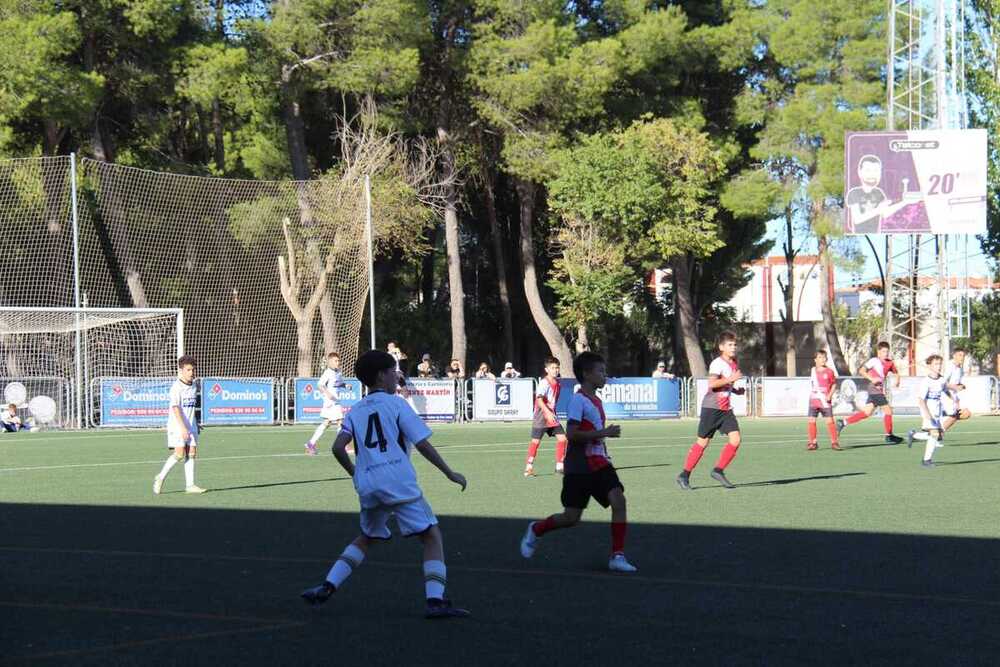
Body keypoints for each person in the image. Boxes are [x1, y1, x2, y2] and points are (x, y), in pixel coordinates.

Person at [300, 350, 470, 619]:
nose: (396, 377)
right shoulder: (397, 405)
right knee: (431, 535)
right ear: (381, 376)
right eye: (393, 372)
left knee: (367, 537)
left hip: (368, 484)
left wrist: (356, 474)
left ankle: (327, 586)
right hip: (398, 481)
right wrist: (449, 472)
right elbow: (423, 444)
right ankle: (435, 601)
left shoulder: (355, 411)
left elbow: (337, 447)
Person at [519, 351, 636, 573]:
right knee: (571, 517)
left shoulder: (597, 401)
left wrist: (604, 445)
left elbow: (595, 435)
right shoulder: (578, 400)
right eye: (600, 371)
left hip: (600, 463)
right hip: (578, 465)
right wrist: (605, 432)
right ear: (586, 374)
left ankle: (617, 555)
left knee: (618, 500)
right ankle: (536, 529)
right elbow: (571, 434)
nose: (605, 375)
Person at [677, 331, 746, 490]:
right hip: (712, 408)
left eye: (734, 344)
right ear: (721, 347)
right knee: (702, 443)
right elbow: (712, 384)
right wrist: (731, 380)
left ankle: (718, 470)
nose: (733, 347)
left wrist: (736, 391)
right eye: (730, 345)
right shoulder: (717, 363)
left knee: (735, 440)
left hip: (725, 409)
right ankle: (684, 475)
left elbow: (725, 385)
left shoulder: (733, 363)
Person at [153, 355, 206, 494]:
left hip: (191, 424)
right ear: (181, 370)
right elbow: (175, 408)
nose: (191, 372)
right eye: (188, 370)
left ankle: (190, 485)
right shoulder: (176, 387)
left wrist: (196, 422)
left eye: (193, 369)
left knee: (192, 452)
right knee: (179, 454)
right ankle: (160, 477)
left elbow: (191, 406)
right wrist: (183, 427)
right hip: (178, 425)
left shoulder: (194, 385)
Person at [836, 341, 904, 444]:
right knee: (888, 411)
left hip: (877, 391)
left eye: (887, 351)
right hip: (874, 389)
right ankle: (889, 436)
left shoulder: (890, 363)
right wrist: (872, 379)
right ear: (878, 352)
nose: (885, 353)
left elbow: (896, 372)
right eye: (883, 351)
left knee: (866, 413)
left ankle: (843, 422)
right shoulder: (874, 361)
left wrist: (897, 380)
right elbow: (862, 371)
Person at [524, 357, 567, 477]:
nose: (555, 370)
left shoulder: (558, 383)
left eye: (557, 367)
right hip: (541, 416)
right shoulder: (544, 382)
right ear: (546, 370)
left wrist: (551, 412)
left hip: (551, 416)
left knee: (563, 439)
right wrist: (547, 412)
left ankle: (559, 467)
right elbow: (539, 399)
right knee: (536, 441)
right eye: (552, 368)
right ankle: (529, 467)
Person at [907, 355, 948, 467]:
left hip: (937, 411)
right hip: (927, 409)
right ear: (929, 366)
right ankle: (926, 461)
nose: (938, 366)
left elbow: (945, 391)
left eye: (940, 364)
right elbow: (921, 399)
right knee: (934, 434)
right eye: (936, 364)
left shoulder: (942, 379)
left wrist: (952, 403)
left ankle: (914, 435)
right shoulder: (926, 381)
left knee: (937, 434)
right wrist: (927, 413)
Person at [305, 352, 348, 456]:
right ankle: (342, 445)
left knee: (328, 422)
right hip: (330, 401)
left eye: (338, 361)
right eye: (335, 361)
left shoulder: (338, 372)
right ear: (329, 362)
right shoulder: (328, 372)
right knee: (339, 421)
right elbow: (320, 385)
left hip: (336, 400)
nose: (337, 362)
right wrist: (327, 394)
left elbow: (338, 383)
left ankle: (311, 443)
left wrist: (346, 385)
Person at [806, 350, 841, 451]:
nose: (823, 359)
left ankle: (834, 442)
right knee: (811, 420)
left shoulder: (829, 372)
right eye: (820, 357)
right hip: (814, 400)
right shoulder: (813, 370)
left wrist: (830, 395)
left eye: (824, 357)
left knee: (829, 421)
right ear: (815, 360)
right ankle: (812, 442)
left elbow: (834, 384)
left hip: (825, 401)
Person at [940, 347, 973, 437]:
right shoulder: (950, 366)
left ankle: (937, 433)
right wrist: (956, 387)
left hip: (953, 396)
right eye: (959, 355)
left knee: (965, 414)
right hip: (945, 395)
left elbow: (956, 384)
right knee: (955, 416)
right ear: (954, 356)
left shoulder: (960, 368)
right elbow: (942, 383)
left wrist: (961, 386)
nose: (962, 357)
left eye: (963, 355)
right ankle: (938, 434)